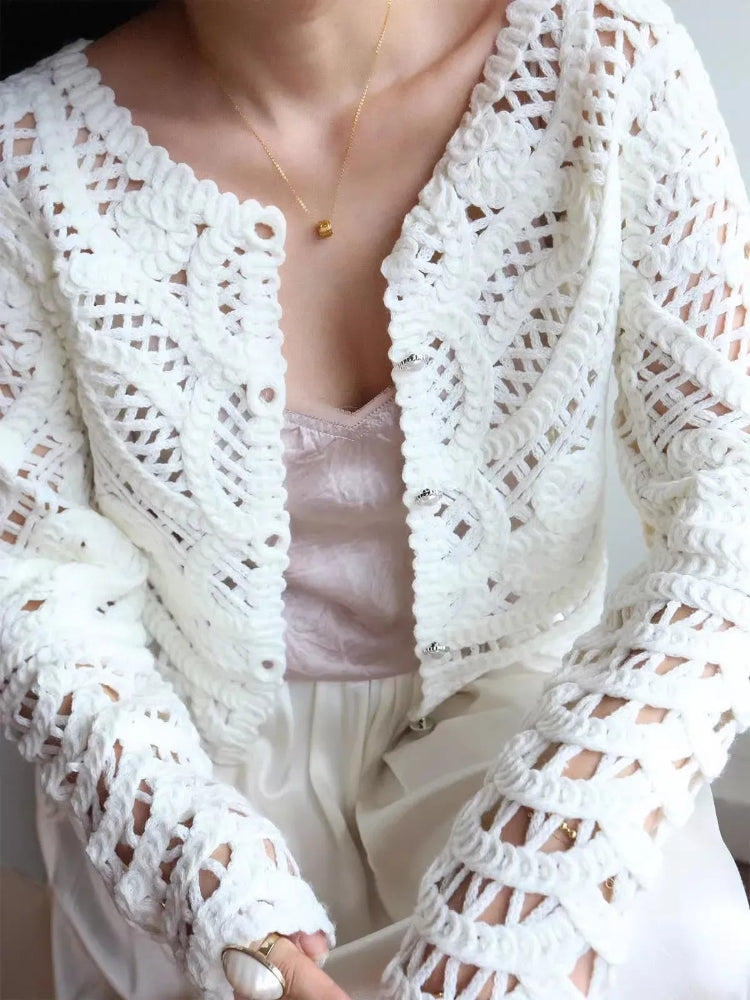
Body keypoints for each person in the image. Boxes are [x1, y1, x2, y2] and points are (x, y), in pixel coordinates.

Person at [1, 0, 749, 998]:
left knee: (668, 942)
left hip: (528, 720)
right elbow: (37, 588)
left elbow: (728, 513)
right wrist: (217, 896)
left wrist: (540, 859)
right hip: (185, 757)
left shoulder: (605, 61)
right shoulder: (28, 159)